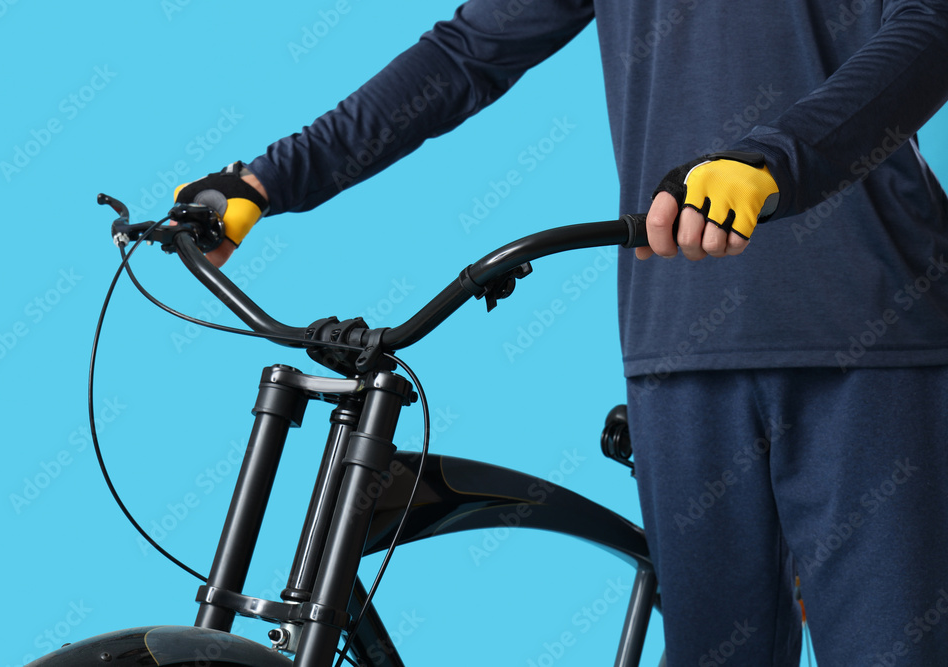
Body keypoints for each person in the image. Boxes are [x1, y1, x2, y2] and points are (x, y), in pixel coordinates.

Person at [171, 1, 948, 664]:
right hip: (677, 344)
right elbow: (467, 52)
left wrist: (774, 160)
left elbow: (929, 28)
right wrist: (268, 180)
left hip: (872, 332)